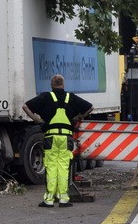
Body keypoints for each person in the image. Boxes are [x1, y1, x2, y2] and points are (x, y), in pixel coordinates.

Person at [22, 74, 93, 207]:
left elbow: (25, 106)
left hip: (51, 137)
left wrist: (38, 121)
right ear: (63, 84)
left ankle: (49, 200)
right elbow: (90, 107)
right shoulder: (70, 97)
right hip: (66, 138)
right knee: (64, 167)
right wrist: (78, 117)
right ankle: (63, 199)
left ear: (51, 84)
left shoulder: (45, 97)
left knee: (51, 167)